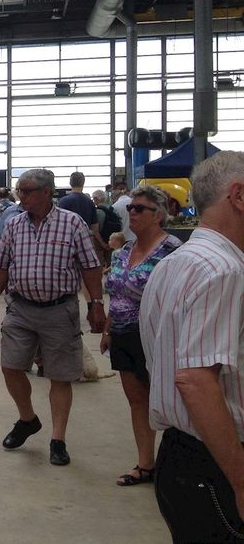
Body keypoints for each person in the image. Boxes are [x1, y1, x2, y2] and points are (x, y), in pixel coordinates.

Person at [139, 151, 244, 542]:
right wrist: (241, 481)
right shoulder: (224, 270)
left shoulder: (175, 262)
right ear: (238, 196)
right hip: (213, 463)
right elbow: (196, 380)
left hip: (180, 458)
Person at [0, 168, 105, 467]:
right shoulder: (14, 226)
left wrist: (96, 304)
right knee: (11, 366)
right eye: (19, 191)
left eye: (26, 191)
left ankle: (58, 439)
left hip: (59, 310)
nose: (20, 197)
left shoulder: (72, 224)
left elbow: (90, 266)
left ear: (47, 192)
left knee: (61, 375)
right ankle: (28, 419)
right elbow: (0, 267)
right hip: (21, 308)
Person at [99, 184, 181, 487]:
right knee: (137, 401)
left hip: (158, 337)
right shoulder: (123, 251)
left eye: (139, 209)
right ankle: (146, 465)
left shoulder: (172, 251)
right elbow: (117, 294)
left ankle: (178, 465)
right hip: (123, 334)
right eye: (131, 208)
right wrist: (108, 329)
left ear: (158, 215)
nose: (131, 213)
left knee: (169, 402)